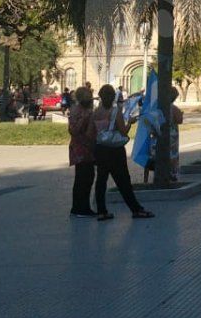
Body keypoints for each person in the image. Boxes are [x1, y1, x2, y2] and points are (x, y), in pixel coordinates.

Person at [92, 85, 154, 221]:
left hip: (100, 149)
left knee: (101, 180)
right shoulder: (115, 111)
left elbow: (93, 131)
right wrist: (130, 123)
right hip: (115, 151)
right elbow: (123, 131)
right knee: (123, 180)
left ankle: (101, 211)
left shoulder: (95, 112)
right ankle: (136, 209)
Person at [67, 87, 97, 218]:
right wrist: (86, 118)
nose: (90, 98)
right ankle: (80, 208)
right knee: (83, 177)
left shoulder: (86, 110)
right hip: (81, 147)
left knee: (87, 177)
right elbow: (74, 130)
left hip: (86, 147)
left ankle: (81, 206)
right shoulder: (78, 111)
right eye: (88, 96)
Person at [169, 88, 185, 181]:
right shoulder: (174, 108)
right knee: (173, 154)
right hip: (172, 134)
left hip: (162, 133)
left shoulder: (159, 107)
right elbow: (179, 120)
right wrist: (181, 115)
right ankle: (173, 173)